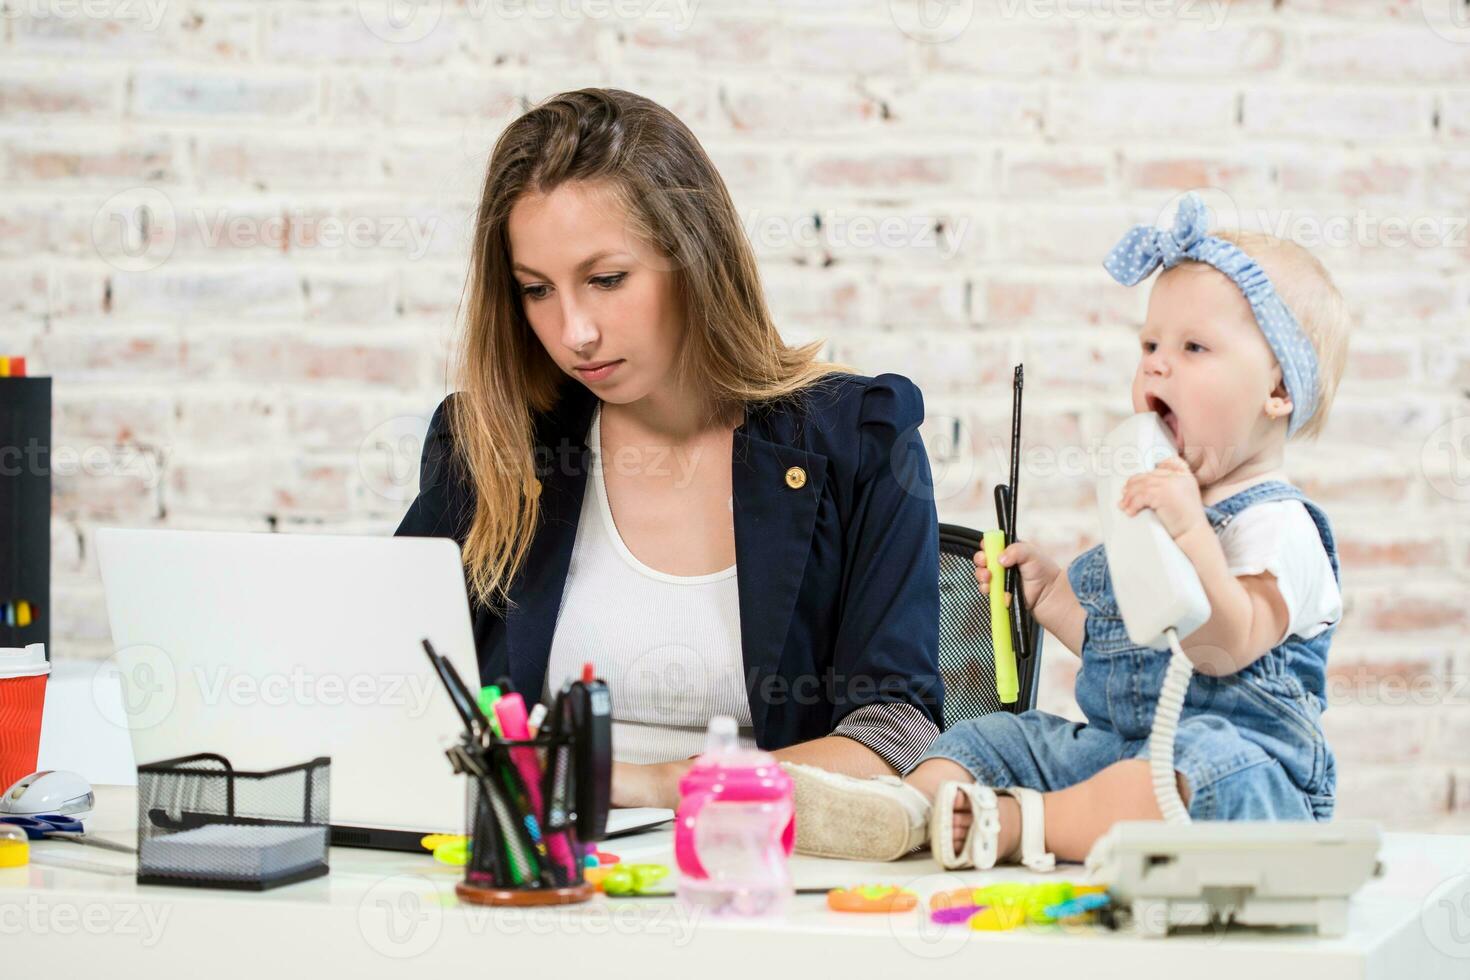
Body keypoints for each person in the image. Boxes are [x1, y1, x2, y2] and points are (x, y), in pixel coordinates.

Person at [395, 88, 943, 811]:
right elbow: (386, 683)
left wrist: (650, 786)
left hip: (761, 871)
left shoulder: (857, 440)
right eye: (536, 290)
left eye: (606, 279)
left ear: (694, 256)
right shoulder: (489, 445)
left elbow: (894, 733)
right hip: (536, 875)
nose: (574, 332)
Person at [790, 193, 1348, 870]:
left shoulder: (1279, 526)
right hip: (1122, 745)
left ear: (1278, 390)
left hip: (1240, 773)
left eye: (1193, 347)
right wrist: (1052, 597)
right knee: (1000, 737)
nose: (1155, 366)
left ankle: (1025, 824)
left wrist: (1194, 536)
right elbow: (1135, 656)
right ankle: (907, 810)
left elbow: (1228, 643)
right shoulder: (1156, 501)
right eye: (1149, 345)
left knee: (1200, 775)